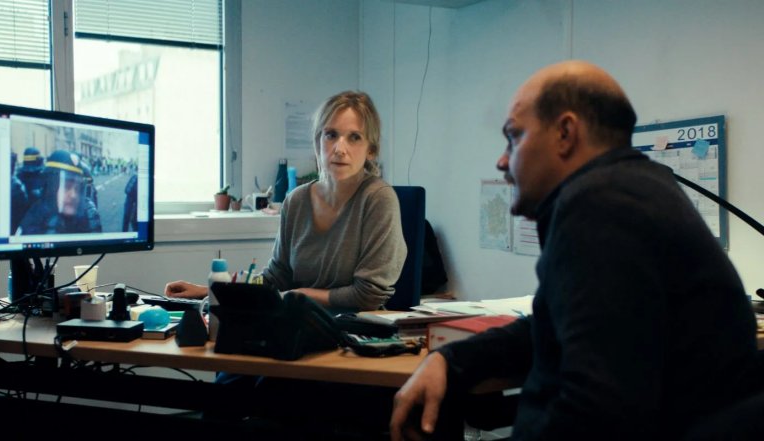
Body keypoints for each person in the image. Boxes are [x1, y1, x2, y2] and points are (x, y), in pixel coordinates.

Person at [390, 61, 760, 441]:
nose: (502, 160)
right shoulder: (634, 190)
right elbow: (549, 326)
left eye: (514, 137)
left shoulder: (599, 208)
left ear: (565, 133)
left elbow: (597, 414)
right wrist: (450, 359)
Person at [165, 90, 407, 313]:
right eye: (331, 135)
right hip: (297, 322)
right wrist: (214, 290)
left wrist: (298, 295)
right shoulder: (297, 200)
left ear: (371, 150)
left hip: (354, 330)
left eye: (354, 137)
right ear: (317, 142)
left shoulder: (378, 199)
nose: (339, 148)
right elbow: (276, 279)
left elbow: (369, 295)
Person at [17, 149, 103, 235]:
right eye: (67, 187)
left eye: (77, 188)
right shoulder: (33, 220)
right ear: (51, 188)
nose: (73, 195)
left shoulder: (88, 216)